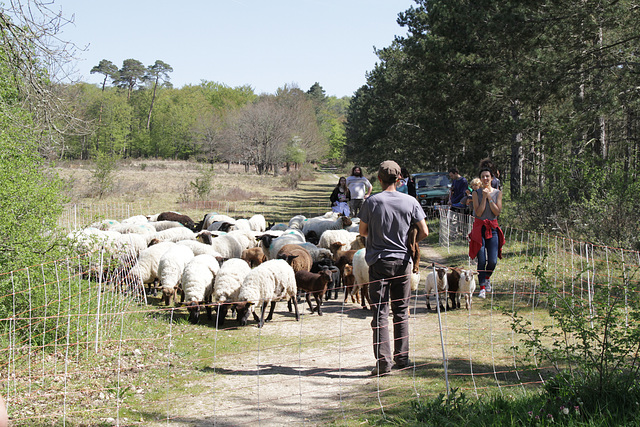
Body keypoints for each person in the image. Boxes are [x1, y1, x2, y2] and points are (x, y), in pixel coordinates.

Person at [359, 160, 429, 376]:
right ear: (399, 180)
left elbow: (363, 231)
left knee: (380, 312)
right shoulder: (410, 201)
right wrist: (407, 239)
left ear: (379, 179)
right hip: (402, 262)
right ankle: (402, 358)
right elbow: (424, 232)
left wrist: (379, 236)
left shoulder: (371, 202)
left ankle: (383, 363)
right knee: (400, 311)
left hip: (379, 262)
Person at [469, 167, 505, 299]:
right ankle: (482, 287)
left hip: (493, 228)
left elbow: (497, 212)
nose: (485, 179)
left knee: (493, 260)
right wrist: (483, 197)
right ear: (480, 178)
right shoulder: (476, 193)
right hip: (479, 229)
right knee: (482, 259)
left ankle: (487, 277)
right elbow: (478, 212)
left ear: (491, 178)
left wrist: (489, 197)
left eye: (487, 176)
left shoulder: (497, 193)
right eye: (483, 176)